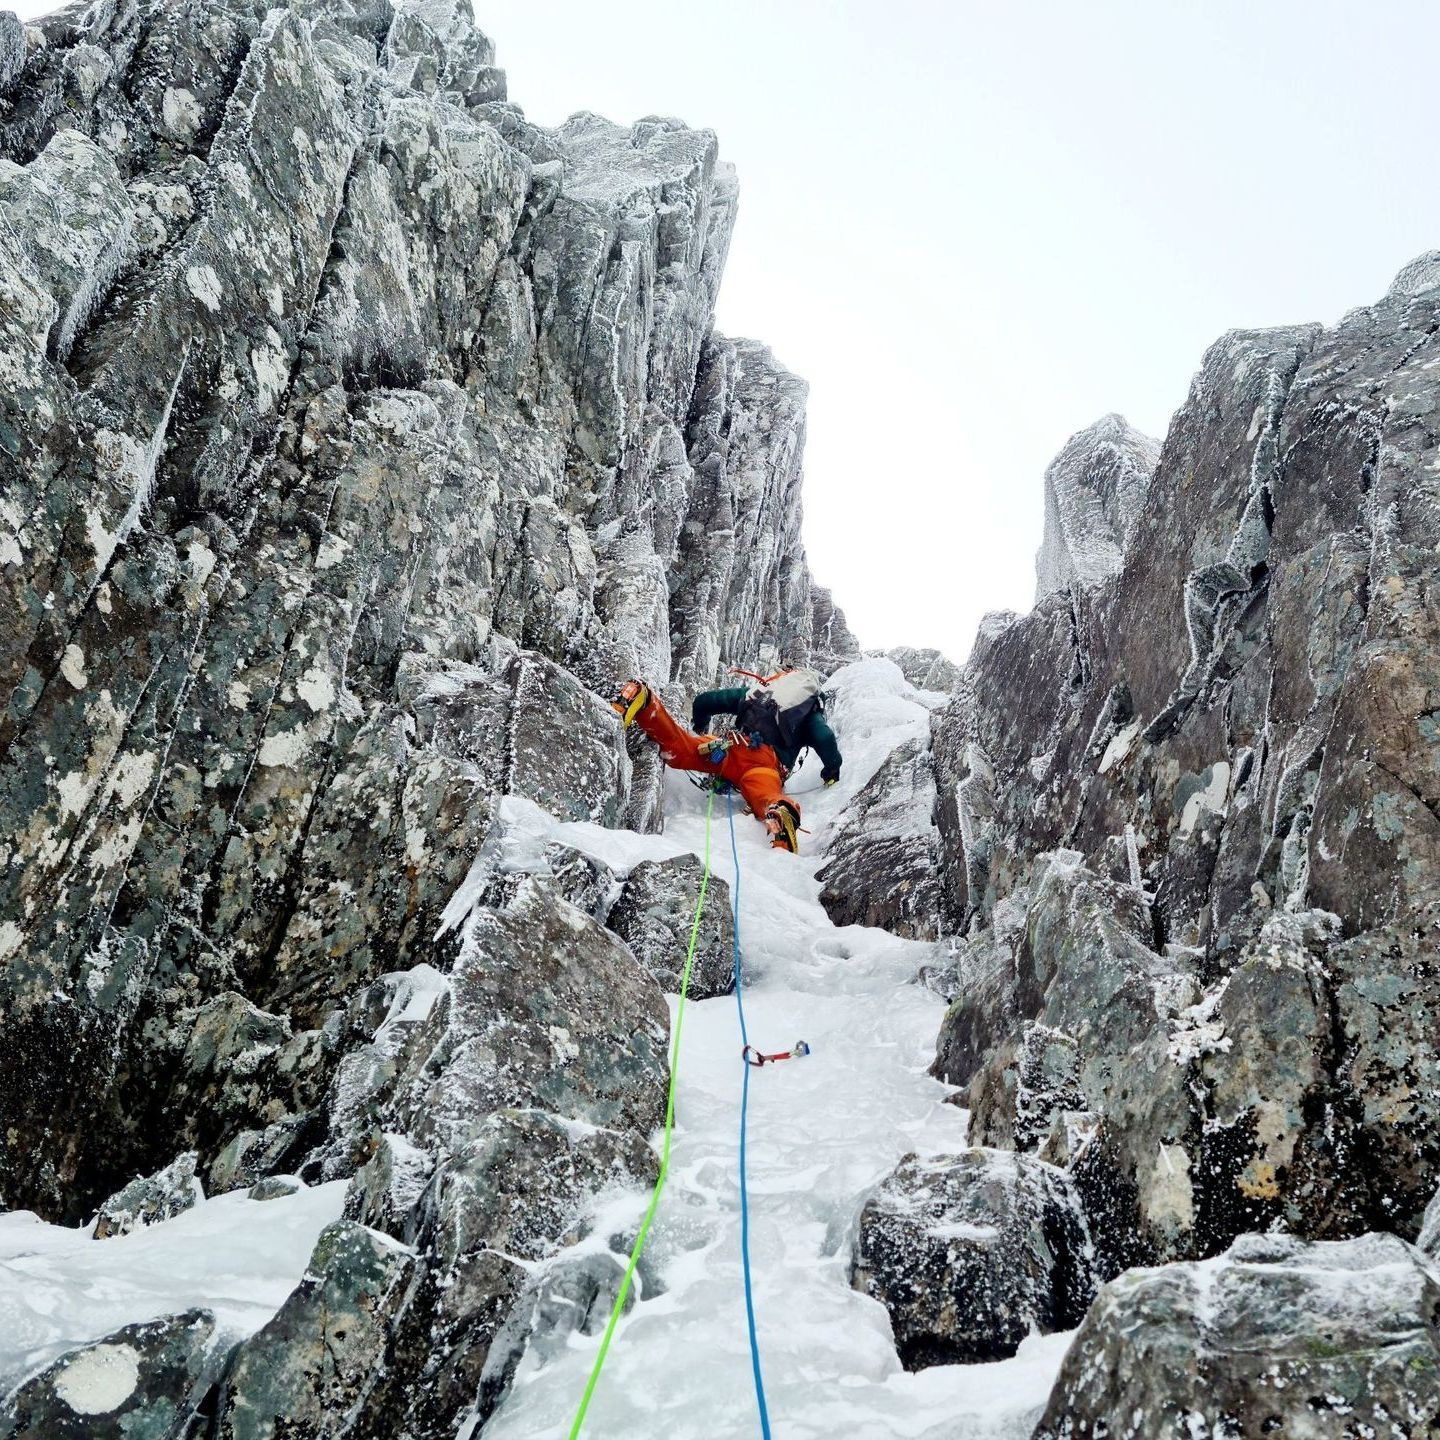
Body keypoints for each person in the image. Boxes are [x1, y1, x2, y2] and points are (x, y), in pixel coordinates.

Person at [613, 668, 842, 853]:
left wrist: (699, 725)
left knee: (681, 749)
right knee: (766, 798)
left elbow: (705, 701)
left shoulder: (759, 692)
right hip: (762, 765)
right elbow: (824, 737)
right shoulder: (809, 712)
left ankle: (644, 699)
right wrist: (831, 771)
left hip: (730, 746)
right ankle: (781, 814)